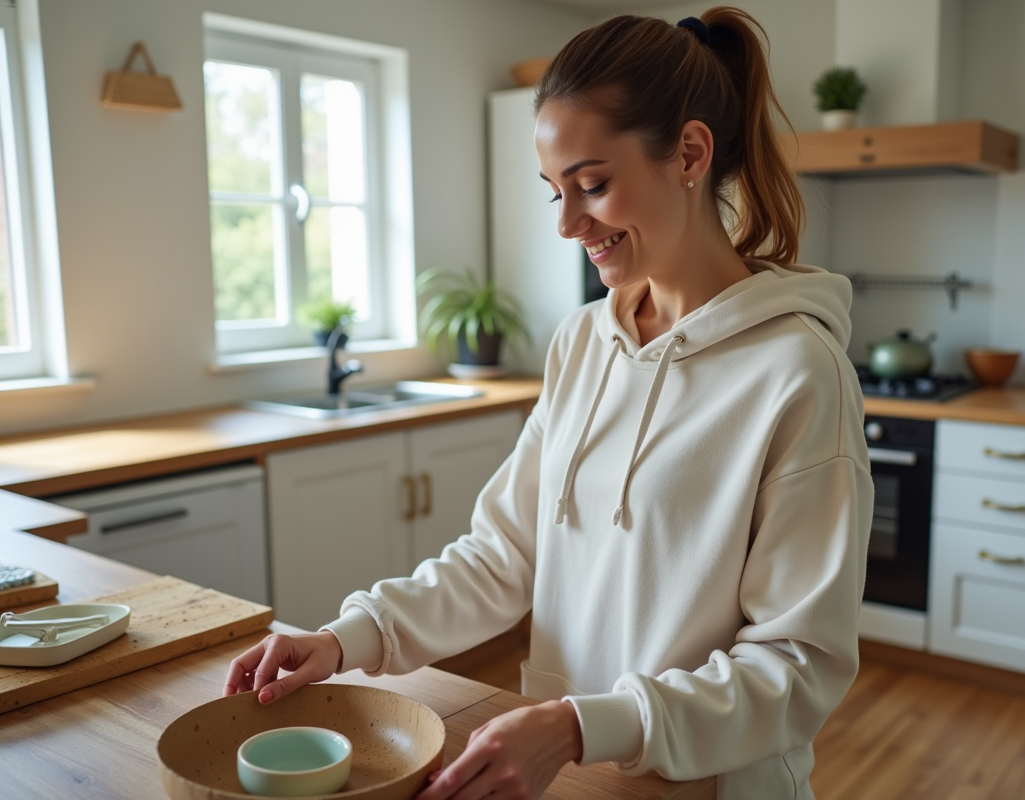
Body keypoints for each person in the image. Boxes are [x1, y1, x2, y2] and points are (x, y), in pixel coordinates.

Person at [223, 7, 873, 799]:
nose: (569, 223)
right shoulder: (581, 342)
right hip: (571, 775)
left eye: (593, 185)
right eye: (554, 192)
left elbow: (796, 668)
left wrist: (577, 724)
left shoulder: (797, 373)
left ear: (690, 154)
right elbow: (504, 556)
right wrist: (346, 638)